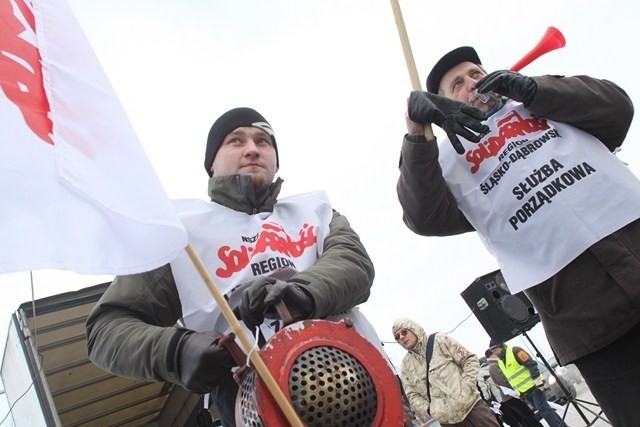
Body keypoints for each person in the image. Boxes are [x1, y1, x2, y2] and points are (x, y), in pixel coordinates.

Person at [86, 107, 388, 426]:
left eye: (263, 141)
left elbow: (354, 263)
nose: (252, 149)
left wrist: (300, 292)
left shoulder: (316, 211)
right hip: (257, 407)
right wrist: (178, 351)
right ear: (211, 164)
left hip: (367, 391)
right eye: (235, 140)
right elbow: (106, 328)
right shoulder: (179, 235)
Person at [396, 45, 640, 426]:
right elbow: (422, 215)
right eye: (456, 85)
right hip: (588, 320)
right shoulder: (449, 160)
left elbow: (616, 107)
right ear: (444, 105)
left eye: (476, 73)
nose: (471, 84)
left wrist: (533, 89)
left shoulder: (544, 102)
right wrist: (417, 133)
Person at [392, 318, 499, 426]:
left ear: (413, 329)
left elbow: (469, 360)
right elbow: (412, 395)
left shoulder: (439, 340)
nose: (401, 337)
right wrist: (430, 410)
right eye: (397, 337)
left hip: (473, 408)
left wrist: (466, 387)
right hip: (448, 422)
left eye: (404, 332)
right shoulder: (406, 366)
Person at [488, 342, 567, 427]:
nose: (495, 353)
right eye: (493, 351)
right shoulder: (500, 361)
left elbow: (531, 364)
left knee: (543, 409)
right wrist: (519, 393)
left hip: (534, 386)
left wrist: (538, 382)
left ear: (501, 346)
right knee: (544, 409)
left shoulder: (515, 350)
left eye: (496, 350)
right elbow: (511, 378)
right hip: (523, 391)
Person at [483, 349, 543, 427]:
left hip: (511, 395)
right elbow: (503, 380)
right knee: (527, 415)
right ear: (493, 354)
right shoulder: (493, 366)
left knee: (526, 415)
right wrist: (516, 385)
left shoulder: (494, 365)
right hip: (510, 396)